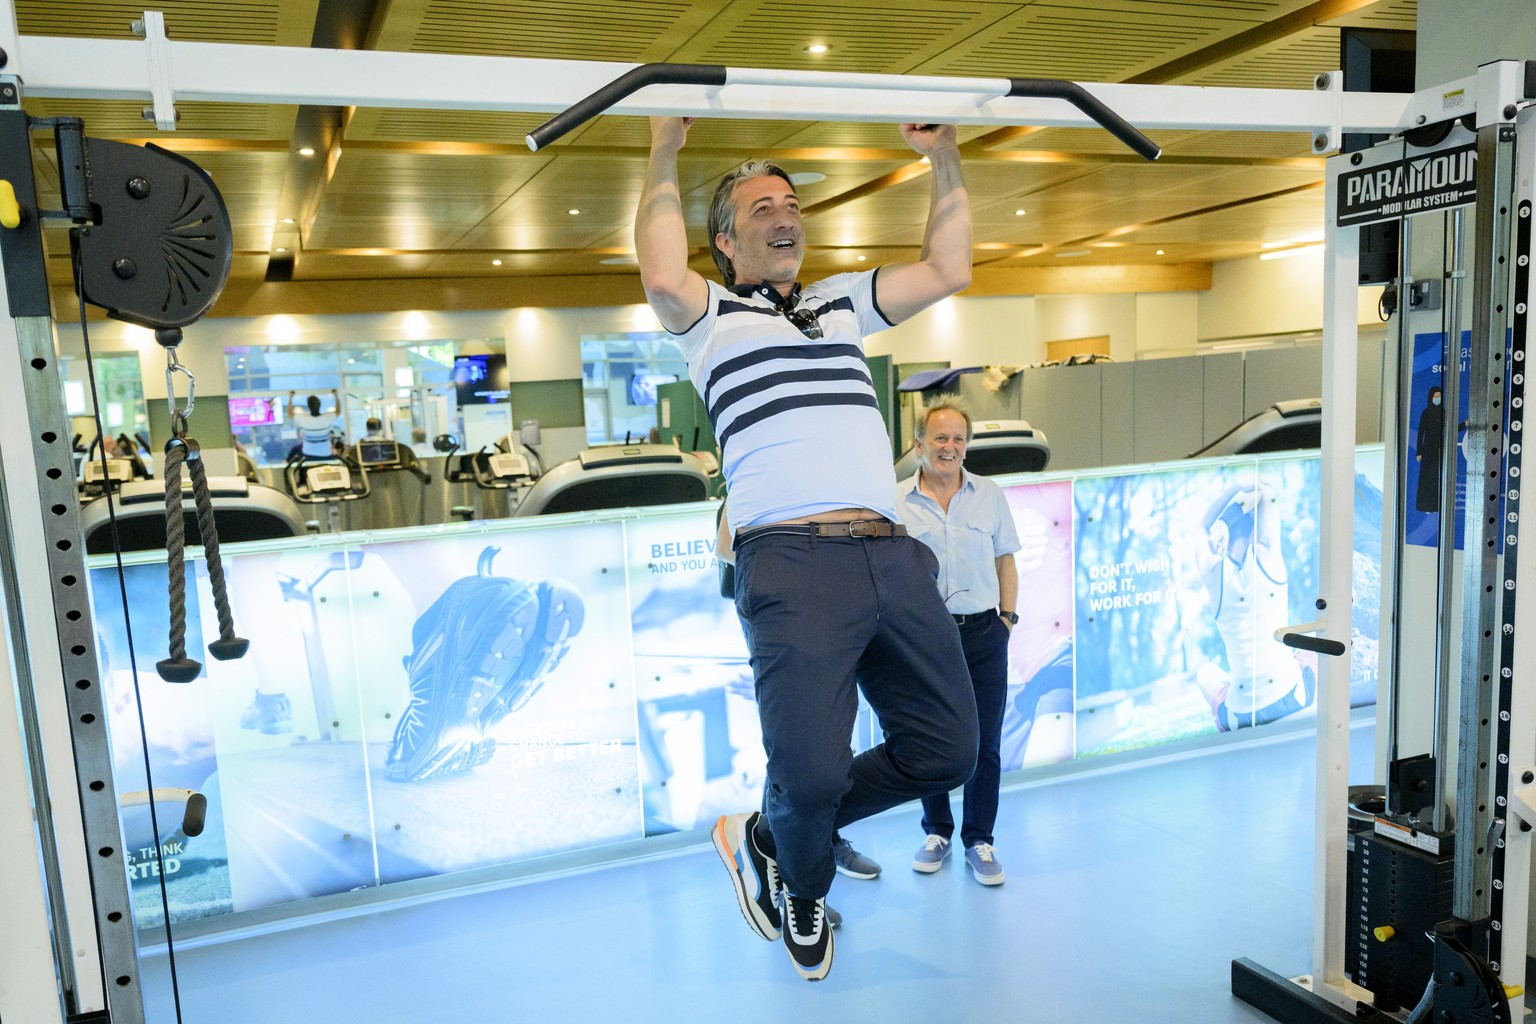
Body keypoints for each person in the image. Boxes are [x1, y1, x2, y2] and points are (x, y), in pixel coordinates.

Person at [638, 115, 978, 982]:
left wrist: (942, 156)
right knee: (813, 773)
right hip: (791, 563)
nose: (785, 216)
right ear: (727, 238)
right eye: (761, 208)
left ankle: (775, 827)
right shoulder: (708, 318)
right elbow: (659, 269)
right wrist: (664, 148)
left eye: (792, 204)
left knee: (948, 749)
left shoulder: (838, 302)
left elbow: (950, 268)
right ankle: (802, 875)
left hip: (891, 554)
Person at [898, 402, 1020, 886]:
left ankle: (979, 839)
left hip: (985, 632)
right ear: (919, 444)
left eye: (958, 439)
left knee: (985, 742)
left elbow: (1006, 561)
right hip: (926, 638)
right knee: (930, 739)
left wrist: (1007, 620)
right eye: (940, 439)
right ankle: (937, 831)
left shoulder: (989, 495)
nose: (950, 448)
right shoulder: (897, 501)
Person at [1192, 481, 1314, 730]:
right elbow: (1266, 491)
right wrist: (1233, 504)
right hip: (1294, 698)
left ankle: (1233, 692)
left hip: (1240, 718)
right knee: (1313, 638)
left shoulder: (1213, 577)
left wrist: (1223, 513)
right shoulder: (1268, 556)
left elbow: (1199, 530)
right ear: (1254, 533)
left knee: (1205, 673)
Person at [289, 391, 341, 461]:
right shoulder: (326, 418)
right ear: (319, 405)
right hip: (326, 454)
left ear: (309, 407)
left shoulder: (304, 419)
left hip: (309, 455)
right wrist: (336, 395)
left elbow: (290, 413)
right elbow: (338, 411)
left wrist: (291, 397)